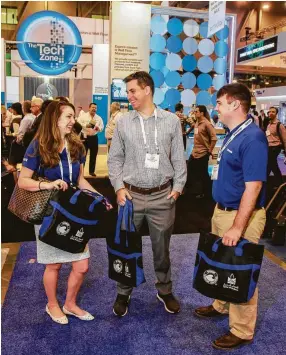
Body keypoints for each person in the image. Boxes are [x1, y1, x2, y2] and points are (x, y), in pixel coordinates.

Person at [194, 83, 268, 350]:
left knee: (240, 270)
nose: (217, 107)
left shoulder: (253, 138)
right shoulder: (235, 133)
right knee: (222, 262)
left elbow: (254, 187)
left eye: (221, 103)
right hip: (223, 210)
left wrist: (238, 227)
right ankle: (221, 304)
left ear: (236, 105)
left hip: (240, 216)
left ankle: (242, 330)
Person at [108, 71, 187, 317]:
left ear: (147, 90)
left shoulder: (171, 121)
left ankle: (164, 290)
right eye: (128, 91)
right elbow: (115, 159)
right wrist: (119, 188)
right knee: (127, 246)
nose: (129, 95)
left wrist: (176, 190)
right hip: (130, 197)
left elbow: (178, 158)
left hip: (162, 197)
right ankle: (124, 290)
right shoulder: (123, 121)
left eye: (132, 90)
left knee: (162, 249)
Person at [18, 100, 103, 324]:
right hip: (49, 212)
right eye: (68, 116)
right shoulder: (38, 145)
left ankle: (70, 303)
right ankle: (52, 305)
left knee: (82, 265)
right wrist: (47, 184)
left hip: (74, 213)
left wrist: (99, 197)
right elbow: (23, 181)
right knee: (53, 264)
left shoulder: (77, 146)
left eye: (73, 116)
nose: (72, 121)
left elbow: (80, 179)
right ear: (54, 118)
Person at [186, 105, 217, 199]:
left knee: (203, 174)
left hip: (203, 153)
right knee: (191, 169)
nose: (194, 113)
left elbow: (214, 138)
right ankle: (194, 190)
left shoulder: (207, 124)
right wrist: (186, 133)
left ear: (202, 113)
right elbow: (193, 128)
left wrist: (209, 151)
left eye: (196, 112)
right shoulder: (197, 122)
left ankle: (207, 193)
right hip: (195, 152)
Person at [77, 103, 104, 177]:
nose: (94, 109)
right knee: (83, 156)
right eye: (92, 107)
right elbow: (78, 124)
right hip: (84, 138)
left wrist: (99, 128)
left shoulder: (98, 118)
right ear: (89, 108)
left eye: (95, 108)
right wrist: (86, 125)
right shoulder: (83, 116)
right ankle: (81, 172)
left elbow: (102, 127)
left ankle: (91, 171)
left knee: (93, 155)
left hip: (93, 138)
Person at [266, 106, 286, 188]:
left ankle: (278, 183)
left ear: (276, 113)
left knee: (271, 164)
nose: (271, 113)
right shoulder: (269, 125)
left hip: (276, 147)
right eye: (270, 111)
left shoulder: (279, 125)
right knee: (272, 165)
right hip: (269, 147)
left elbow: (285, 139)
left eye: (273, 112)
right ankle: (279, 184)